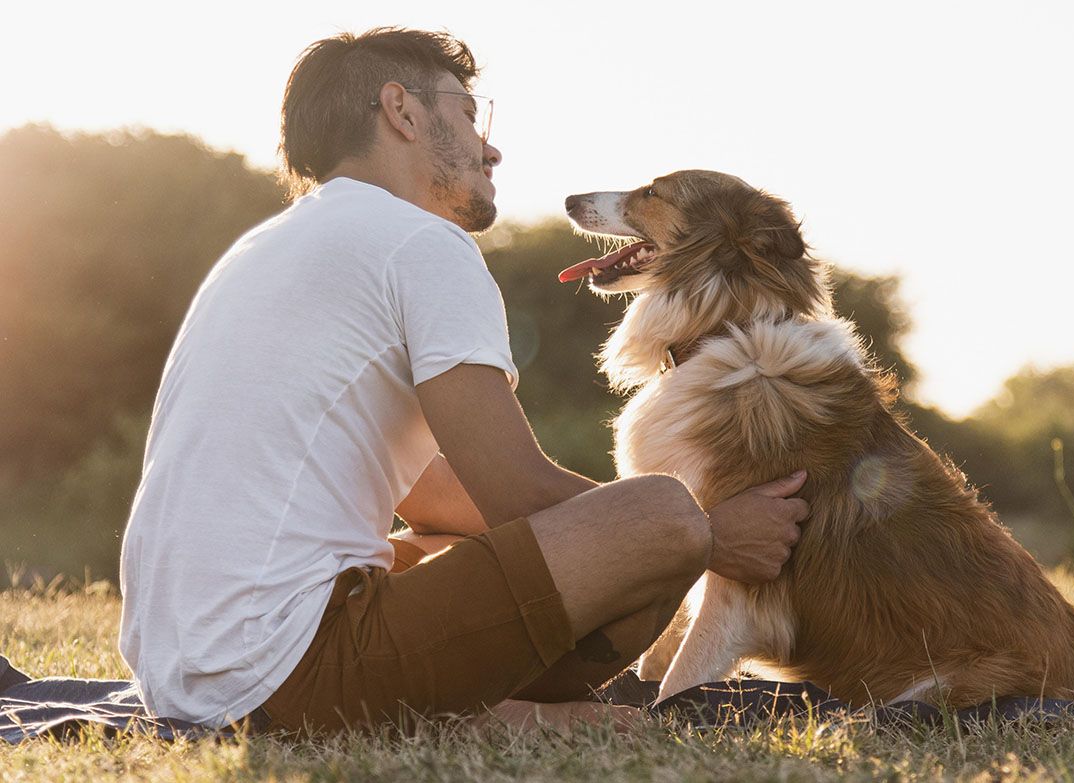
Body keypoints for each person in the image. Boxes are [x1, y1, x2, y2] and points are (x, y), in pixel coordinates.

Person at [117, 27, 811, 734]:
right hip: (282, 675)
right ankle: (479, 718)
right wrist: (708, 534)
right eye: (468, 115)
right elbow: (518, 492)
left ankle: (451, 705)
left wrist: (612, 537)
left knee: (449, 546)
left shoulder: (266, 247)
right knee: (658, 513)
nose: (490, 147)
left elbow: (429, 490)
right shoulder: (421, 243)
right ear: (403, 112)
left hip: (181, 672)